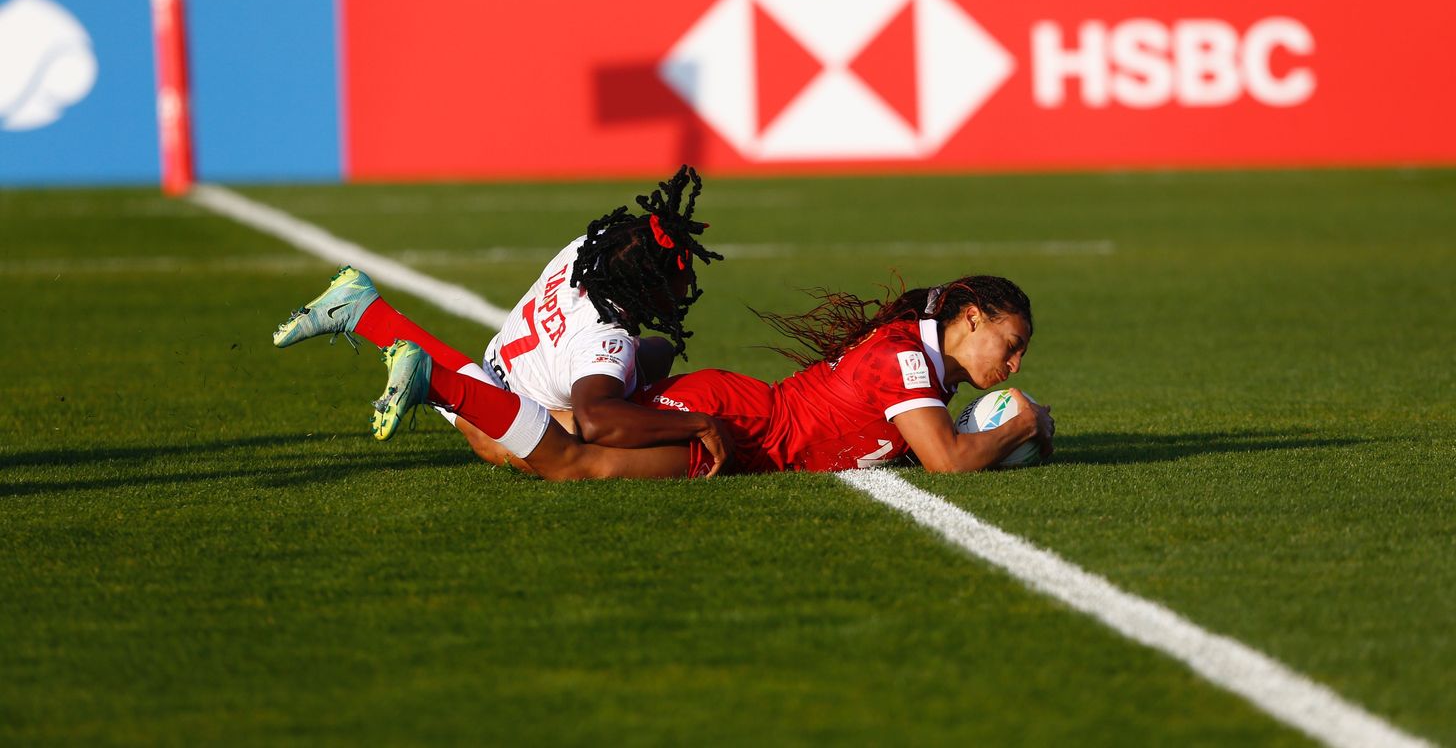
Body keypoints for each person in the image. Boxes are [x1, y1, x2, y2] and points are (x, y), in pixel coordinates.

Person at [338, 274, 1053, 479]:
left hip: (746, 419)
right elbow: (948, 462)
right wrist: (1024, 422)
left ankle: (383, 329)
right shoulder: (904, 359)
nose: (1013, 366)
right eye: (1010, 345)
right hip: (739, 425)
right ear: (971, 316)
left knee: (500, 444)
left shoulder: (917, 355)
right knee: (572, 461)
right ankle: (429, 376)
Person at [272, 165, 737, 474]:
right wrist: (697, 425)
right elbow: (598, 419)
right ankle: (430, 376)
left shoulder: (585, 252)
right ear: (647, 281)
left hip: (503, 361)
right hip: (517, 409)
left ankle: (365, 311)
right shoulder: (604, 342)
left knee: (656, 353)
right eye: (680, 276)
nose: (686, 287)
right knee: (577, 448)